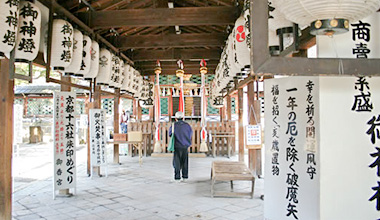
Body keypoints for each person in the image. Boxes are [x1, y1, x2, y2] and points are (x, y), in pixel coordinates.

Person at [169, 111, 193, 182]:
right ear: (183, 118)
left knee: (177, 162)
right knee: (185, 161)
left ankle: (177, 177)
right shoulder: (187, 125)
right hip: (185, 145)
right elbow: (190, 134)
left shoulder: (174, 125)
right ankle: (185, 176)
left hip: (176, 146)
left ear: (176, 118)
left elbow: (170, 134)